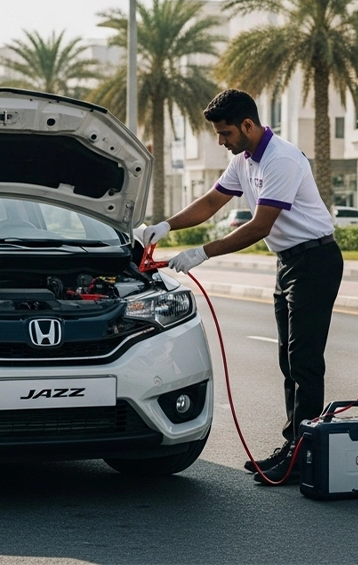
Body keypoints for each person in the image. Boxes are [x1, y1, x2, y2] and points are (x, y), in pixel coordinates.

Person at [140, 89, 343, 485]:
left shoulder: (281, 158)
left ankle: (303, 452)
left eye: (225, 132)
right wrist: (166, 226)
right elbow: (212, 201)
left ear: (248, 125)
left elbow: (260, 225)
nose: (221, 141)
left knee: (304, 362)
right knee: (288, 360)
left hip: (315, 261)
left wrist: (203, 252)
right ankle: (294, 445)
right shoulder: (244, 159)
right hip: (290, 262)